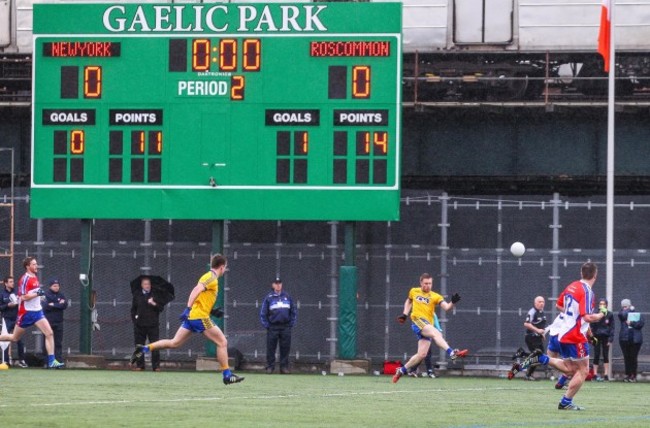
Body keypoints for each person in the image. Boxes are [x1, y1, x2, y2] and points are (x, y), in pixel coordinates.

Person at [130, 254, 244, 385]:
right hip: (198, 316)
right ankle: (227, 375)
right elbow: (196, 290)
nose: (225, 270)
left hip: (194, 316)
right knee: (222, 342)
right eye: (225, 267)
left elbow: (201, 297)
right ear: (222, 267)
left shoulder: (209, 277)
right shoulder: (211, 277)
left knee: (174, 343)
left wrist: (212, 310)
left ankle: (144, 349)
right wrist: (188, 308)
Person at [508, 262, 604, 411]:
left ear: (581, 273)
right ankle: (566, 402)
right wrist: (601, 314)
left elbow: (559, 306)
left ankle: (541, 359)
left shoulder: (572, 286)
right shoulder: (587, 292)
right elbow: (587, 318)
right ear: (595, 275)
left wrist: (572, 313)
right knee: (583, 371)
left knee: (569, 369)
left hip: (563, 333)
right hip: (576, 335)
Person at [392, 273, 468, 383]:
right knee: (436, 333)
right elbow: (409, 301)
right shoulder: (414, 291)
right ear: (421, 283)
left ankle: (401, 370)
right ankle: (452, 353)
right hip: (417, 321)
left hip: (427, 324)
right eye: (425, 283)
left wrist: (453, 302)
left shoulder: (435, 296)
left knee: (421, 354)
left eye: (430, 283)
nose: (428, 285)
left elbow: (446, 308)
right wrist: (404, 314)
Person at [0, 257, 65, 369]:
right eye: (34, 264)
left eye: (36, 264)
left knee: (49, 333)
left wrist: (40, 297)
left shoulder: (34, 277)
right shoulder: (24, 279)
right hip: (26, 313)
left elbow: (34, 293)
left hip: (37, 312)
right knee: (14, 338)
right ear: (27, 266)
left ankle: (51, 361)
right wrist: (37, 294)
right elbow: (23, 297)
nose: (36, 266)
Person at [259, 277, 297, 374]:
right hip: (273, 327)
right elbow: (263, 313)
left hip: (285, 327)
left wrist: (291, 324)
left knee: (285, 347)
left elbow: (293, 311)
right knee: (271, 347)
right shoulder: (269, 298)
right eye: (276, 283)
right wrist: (267, 325)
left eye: (279, 283)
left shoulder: (287, 296)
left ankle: (284, 368)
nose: (278, 285)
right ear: (273, 285)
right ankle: (270, 367)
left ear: (282, 284)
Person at [130, 277, 164, 371]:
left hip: (153, 325)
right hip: (139, 325)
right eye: (145, 284)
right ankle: (140, 366)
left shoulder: (155, 295)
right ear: (142, 285)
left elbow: (161, 308)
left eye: (148, 284)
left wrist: (153, 303)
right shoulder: (137, 295)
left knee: (155, 346)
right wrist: (135, 321)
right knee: (139, 346)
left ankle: (156, 366)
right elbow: (133, 310)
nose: (147, 286)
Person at [0, 276, 28, 368]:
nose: (12, 283)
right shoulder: (2, 294)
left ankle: (21, 360)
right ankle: (6, 361)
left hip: (17, 319)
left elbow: (23, 301)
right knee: (5, 340)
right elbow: (1, 307)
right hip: (6, 319)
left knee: (20, 340)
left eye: (13, 281)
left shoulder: (17, 292)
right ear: (6, 283)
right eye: (10, 282)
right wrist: (8, 305)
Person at [43, 279, 69, 363]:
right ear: (50, 286)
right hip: (48, 322)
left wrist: (53, 304)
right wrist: (58, 304)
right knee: (47, 342)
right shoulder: (45, 294)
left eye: (57, 286)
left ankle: (58, 361)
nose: (56, 287)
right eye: (54, 286)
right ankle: (47, 362)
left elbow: (65, 305)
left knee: (58, 343)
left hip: (59, 322)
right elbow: (46, 306)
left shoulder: (61, 294)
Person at [407, 313, 441, 379]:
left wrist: (438, 329)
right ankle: (429, 372)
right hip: (424, 332)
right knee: (425, 354)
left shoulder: (430, 311)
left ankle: (412, 370)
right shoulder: (420, 311)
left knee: (423, 354)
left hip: (428, 332)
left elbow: (435, 318)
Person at [618, 298, 644, 382]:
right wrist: (629, 309)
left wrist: (632, 323)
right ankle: (627, 374)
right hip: (624, 339)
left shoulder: (637, 314)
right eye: (624, 307)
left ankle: (633, 375)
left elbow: (640, 324)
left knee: (633, 357)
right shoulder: (621, 313)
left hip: (635, 339)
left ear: (629, 305)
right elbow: (623, 315)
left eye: (626, 306)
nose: (625, 308)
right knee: (627, 357)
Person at [522, 296, 547, 381]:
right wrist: (537, 330)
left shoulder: (542, 312)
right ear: (535, 303)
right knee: (537, 355)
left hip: (538, 338)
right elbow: (526, 324)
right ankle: (528, 375)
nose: (541, 303)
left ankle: (528, 374)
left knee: (541, 356)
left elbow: (540, 325)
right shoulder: (532, 312)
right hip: (531, 337)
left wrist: (542, 334)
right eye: (539, 302)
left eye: (543, 302)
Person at [590, 298, 614, 381]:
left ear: (606, 305)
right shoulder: (595, 314)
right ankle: (595, 374)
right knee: (596, 355)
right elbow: (591, 326)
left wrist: (610, 339)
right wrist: (592, 337)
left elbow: (612, 328)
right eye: (600, 304)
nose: (602, 305)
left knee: (605, 355)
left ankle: (606, 374)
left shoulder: (610, 314)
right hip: (596, 336)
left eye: (603, 304)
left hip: (605, 337)